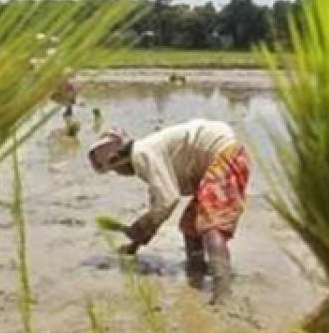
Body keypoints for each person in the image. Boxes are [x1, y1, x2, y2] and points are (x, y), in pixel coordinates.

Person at [87, 120, 250, 303]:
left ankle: (222, 293)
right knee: (190, 225)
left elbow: (168, 200)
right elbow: (158, 204)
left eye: (115, 170)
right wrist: (135, 244)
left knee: (211, 224)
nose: (119, 174)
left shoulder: (143, 154)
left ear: (118, 160)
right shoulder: (149, 154)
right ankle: (196, 272)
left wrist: (142, 224)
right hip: (220, 156)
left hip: (223, 154)